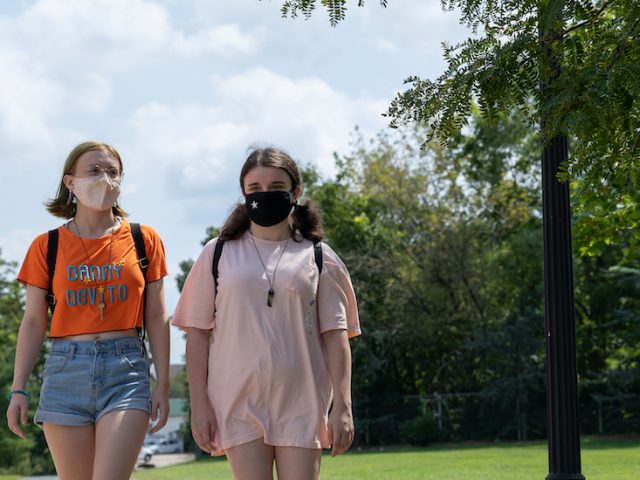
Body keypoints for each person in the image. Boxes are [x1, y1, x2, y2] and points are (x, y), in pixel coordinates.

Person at [173, 147, 361, 480]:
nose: (265, 194)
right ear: (244, 193)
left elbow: (336, 336)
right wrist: (199, 406)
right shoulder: (216, 254)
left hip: (302, 400)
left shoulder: (320, 257)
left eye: (276, 186)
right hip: (236, 401)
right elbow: (198, 335)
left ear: (295, 192)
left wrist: (343, 407)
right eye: (255, 188)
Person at [6, 141, 170, 480]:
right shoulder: (45, 246)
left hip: (125, 369)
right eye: (93, 171)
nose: (104, 178)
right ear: (70, 183)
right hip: (66, 369)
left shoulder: (144, 239)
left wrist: (164, 385)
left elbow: (157, 316)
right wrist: (18, 388)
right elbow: (34, 321)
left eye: (112, 172)